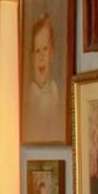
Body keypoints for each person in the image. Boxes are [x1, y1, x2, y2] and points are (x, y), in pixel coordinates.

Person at [24, 10, 64, 140]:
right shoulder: (32, 92)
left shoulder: (54, 89)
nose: (41, 57)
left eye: (45, 49)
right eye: (37, 51)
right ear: (31, 58)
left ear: (52, 54)